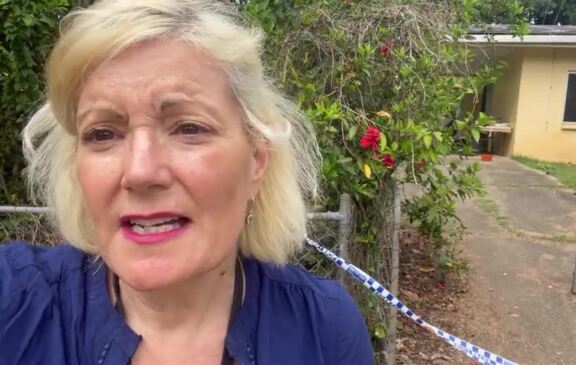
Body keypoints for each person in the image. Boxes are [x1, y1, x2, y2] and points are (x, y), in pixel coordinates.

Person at [0, 1, 373, 364]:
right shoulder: (14, 304)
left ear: (257, 161)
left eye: (189, 128)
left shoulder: (323, 326)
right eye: (102, 134)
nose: (141, 171)